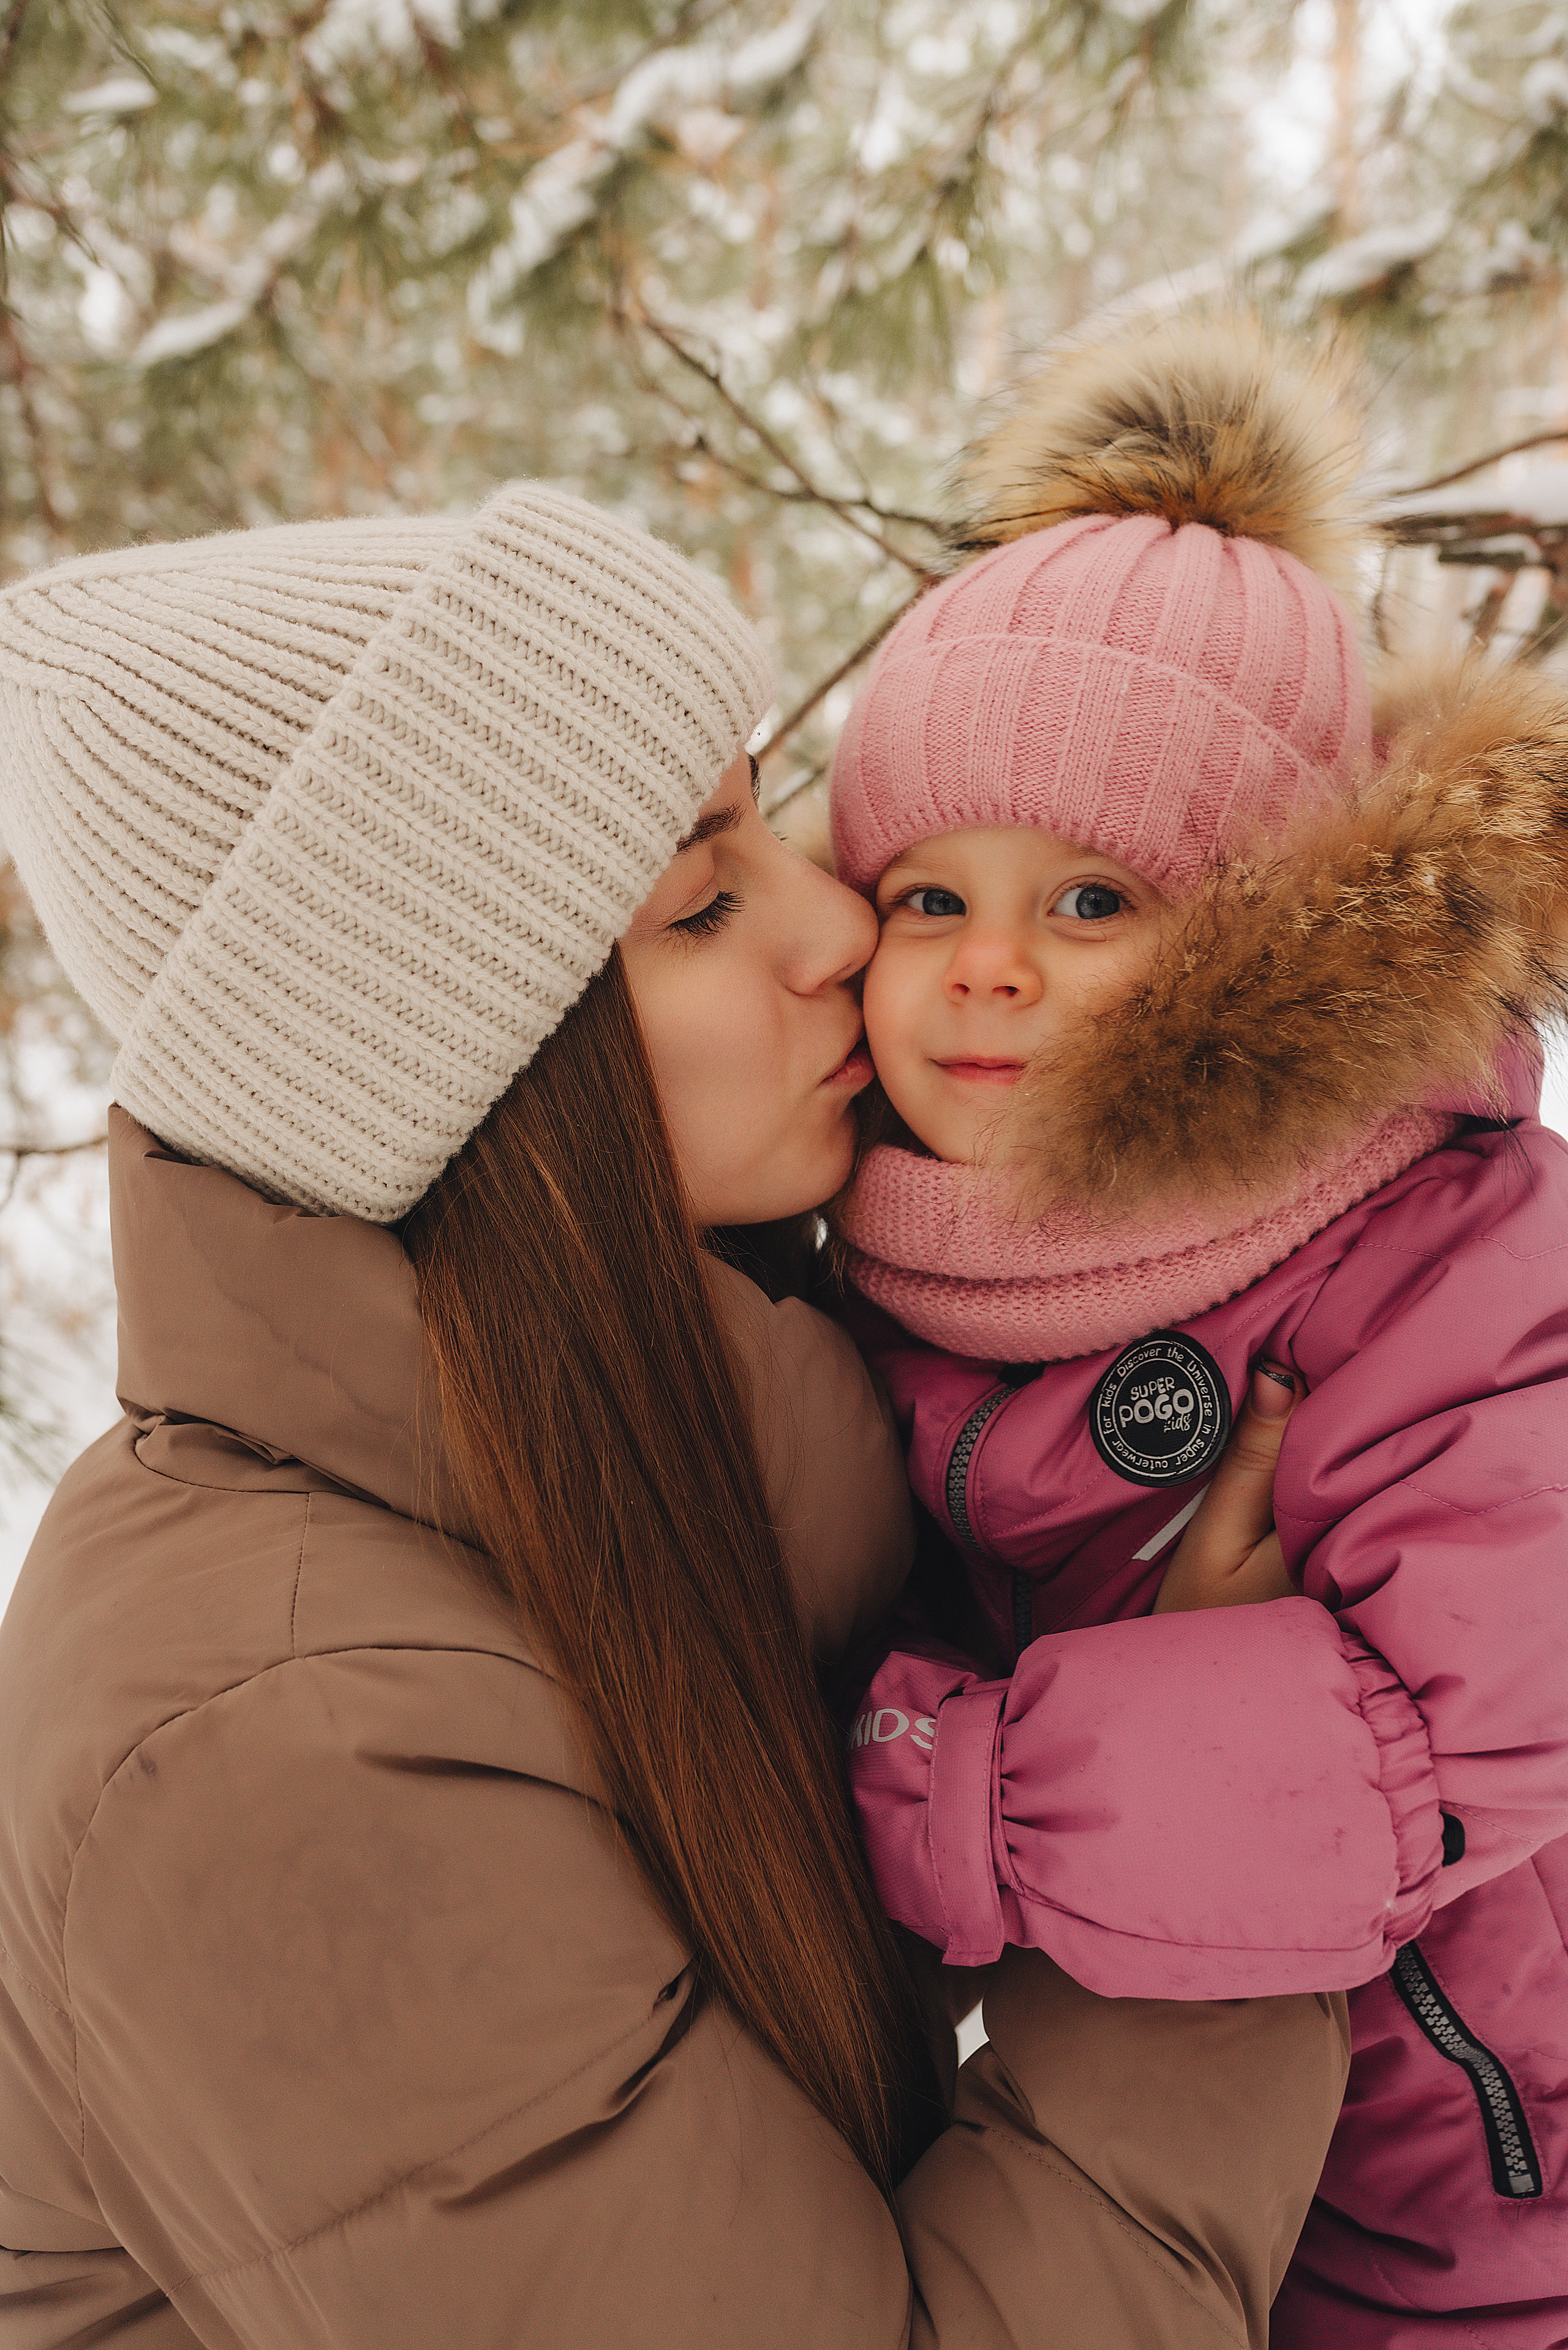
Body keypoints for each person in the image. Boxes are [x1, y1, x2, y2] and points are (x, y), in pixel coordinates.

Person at [0, 484, 1347, 2348]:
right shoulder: (286, 1752)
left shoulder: (666, 1461)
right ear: (475, 1081)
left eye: (768, 818)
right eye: (703, 901)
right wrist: (1198, 1856)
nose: (836, 926)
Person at [828, 311, 1568, 2346]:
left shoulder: (1435, 1245)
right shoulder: (917, 1261)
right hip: (1184, 2165)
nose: (984, 974)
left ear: (1260, 938)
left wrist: (944, 1796)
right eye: (923, 897)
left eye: (1090, 906)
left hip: (1492, 2187)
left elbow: (1463, 1729)